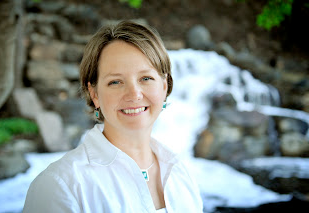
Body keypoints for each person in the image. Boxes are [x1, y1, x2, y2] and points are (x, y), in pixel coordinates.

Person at [23, 20, 203, 213]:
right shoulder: (60, 186)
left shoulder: (179, 172)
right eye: (116, 82)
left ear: (165, 86)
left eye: (146, 78)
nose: (134, 94)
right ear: (94, 94)